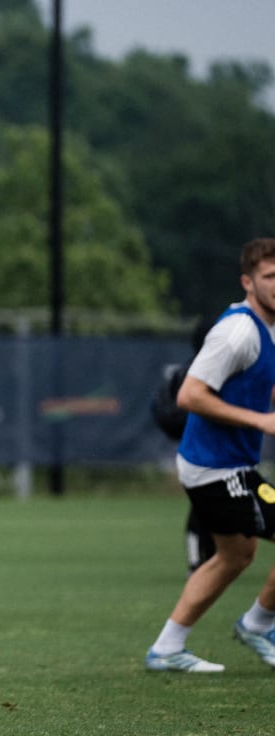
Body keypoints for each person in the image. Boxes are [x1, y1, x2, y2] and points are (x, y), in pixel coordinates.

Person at [146, 237, 275, 674]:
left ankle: (166, 649)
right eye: (270, 277)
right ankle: (258, 625)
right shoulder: (236, 332)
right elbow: (190, 395)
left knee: (234, 555)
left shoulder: (269, 328)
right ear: (248, 282)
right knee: (235, 555)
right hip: (216, 469)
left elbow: (257, 384)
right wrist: (261, 421)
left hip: (228, 466)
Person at [149, 318, 215, 574]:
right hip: (200, 448)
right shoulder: (200, 372)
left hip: (203, 446)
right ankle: (198, 559)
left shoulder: (200, 367)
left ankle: (208, 557)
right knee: (202, 501)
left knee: (208, 501)